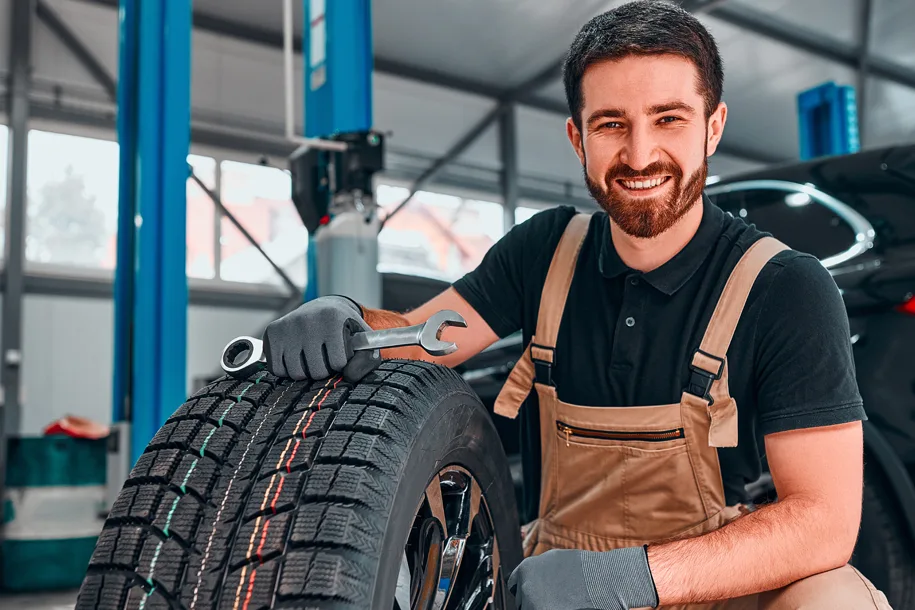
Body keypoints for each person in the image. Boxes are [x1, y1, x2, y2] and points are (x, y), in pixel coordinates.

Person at [261, 2, 892, 608]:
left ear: (713, 126)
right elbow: (421, 336)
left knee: (835, 597)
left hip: (711, 588)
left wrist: (625, 578)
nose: (640, 155)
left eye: (669, 118)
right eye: (611, 124)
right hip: (552, 587)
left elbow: (825, 521)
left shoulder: (784, 287)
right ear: (576, 136)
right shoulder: (545, 252)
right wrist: (348, 321)